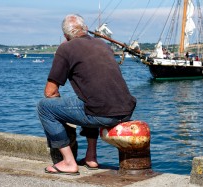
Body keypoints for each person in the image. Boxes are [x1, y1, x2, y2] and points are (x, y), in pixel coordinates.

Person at [37, 14, 136, 175]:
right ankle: (91, 156)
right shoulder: (103, 45)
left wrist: (61, 112)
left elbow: (50, 92)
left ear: (65, 36)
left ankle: (69, 162)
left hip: (102, 113)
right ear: (86, 29)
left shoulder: (66, 48)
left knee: (44, 108)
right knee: (87, 99)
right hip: (126, 110)